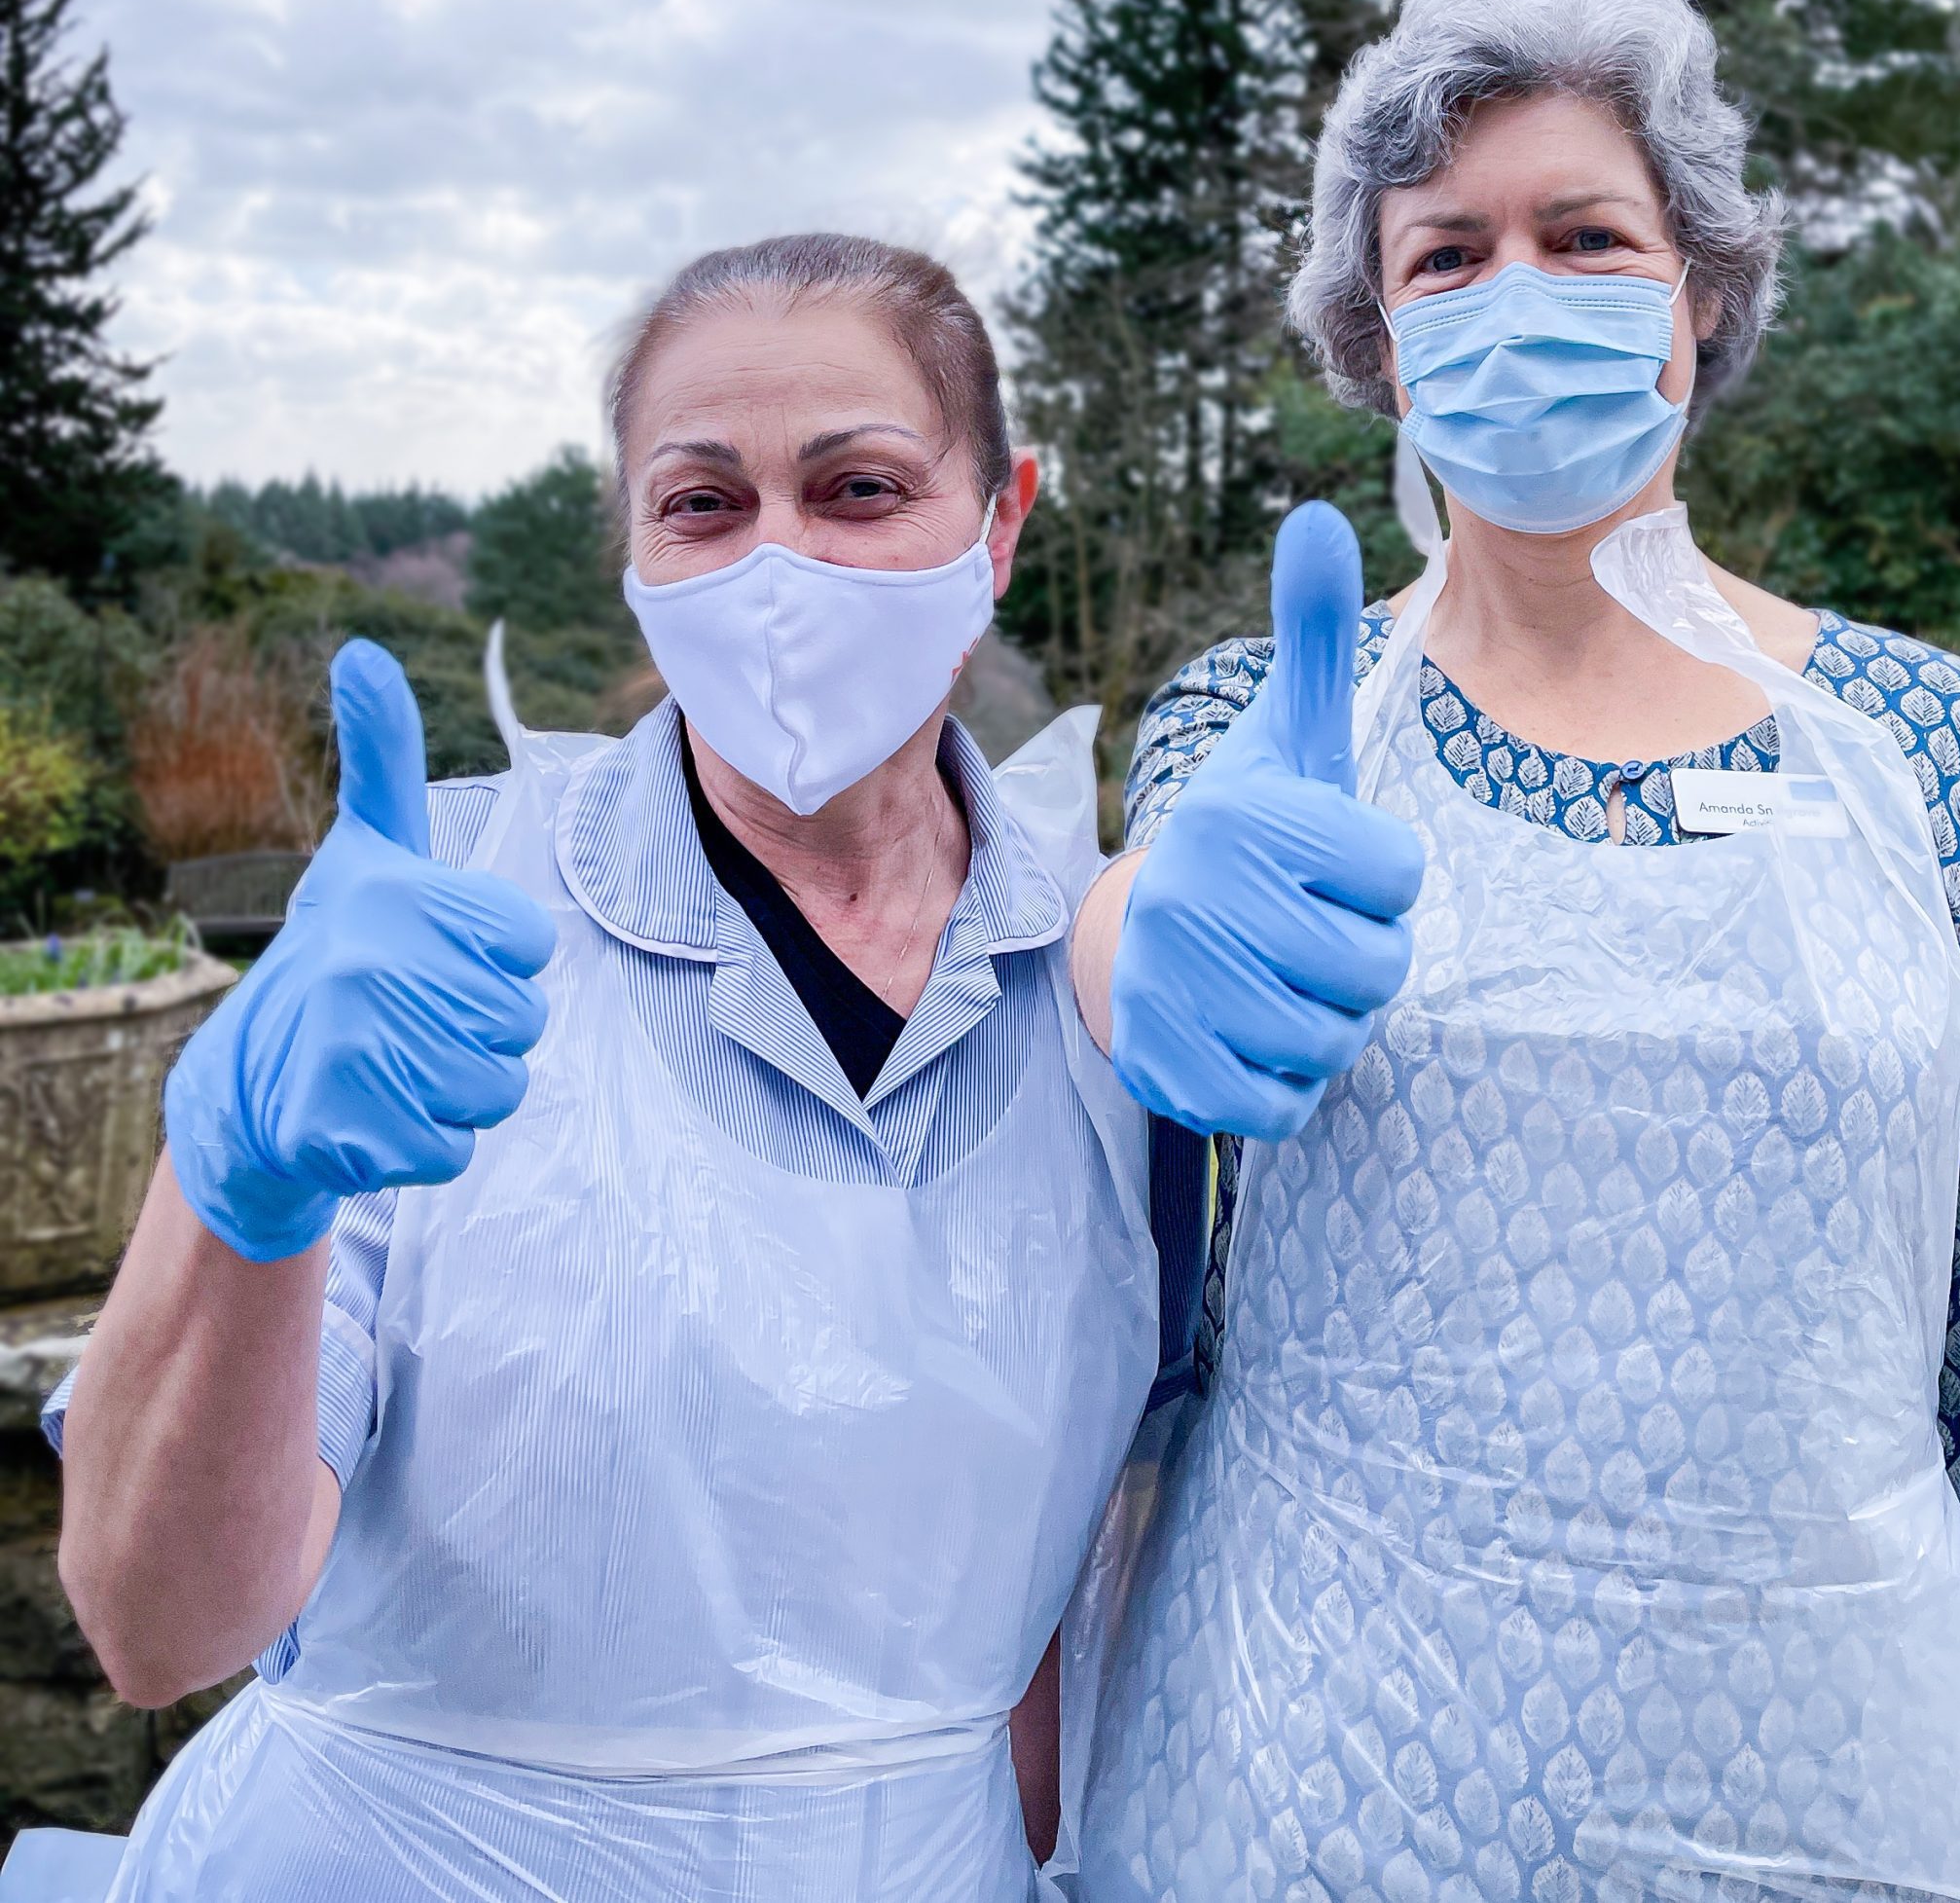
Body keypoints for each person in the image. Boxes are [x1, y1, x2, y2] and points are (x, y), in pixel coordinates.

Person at [1066, 0, 1960, 1901]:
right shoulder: (1263, 735)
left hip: (1848, 1811)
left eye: (1582, 235)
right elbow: (1139, 936)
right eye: (1443, 257)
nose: (1515, 298)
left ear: (1699, 293)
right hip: (1301, 1807)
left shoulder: (1919, 746)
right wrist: (1135, 934)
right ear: (1377, 338)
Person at [38, 234, 1157, 1902]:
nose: (778, 561)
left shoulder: (1110, 985)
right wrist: (245, 1193)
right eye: (702, 503)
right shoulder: (441, 932)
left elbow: (1056, 1613)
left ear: (1001, 522)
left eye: (860, 489)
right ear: (634, 548)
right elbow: (156, 1625)